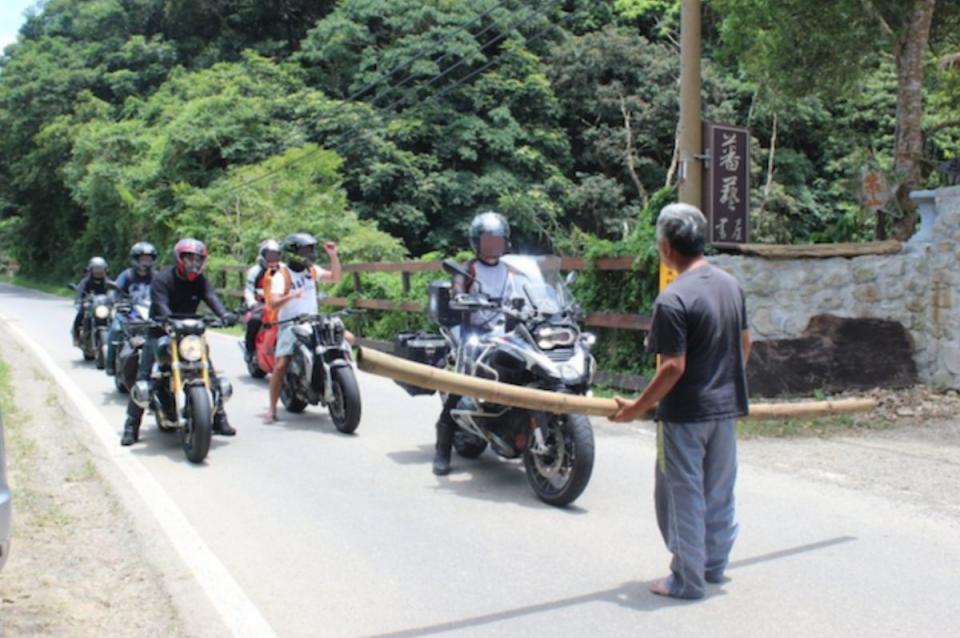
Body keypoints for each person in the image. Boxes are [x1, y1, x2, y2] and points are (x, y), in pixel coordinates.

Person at [609, 203, 751, 600]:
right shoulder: (730, 285)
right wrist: (723, 382)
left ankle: (687, 580)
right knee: (719, 490)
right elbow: (745, 345)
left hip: (685, 416)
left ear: (667, 247)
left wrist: (636, 408)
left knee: (682, 494)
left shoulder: (673, 300)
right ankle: (713, 566)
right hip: (725, 410)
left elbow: (672, 367)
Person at [121, 238, 237, 446]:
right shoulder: (162, 278)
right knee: (145, 374)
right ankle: (131, 426)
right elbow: (161, 303)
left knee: (208, 370)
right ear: (179, 258)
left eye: (198, 259)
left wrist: (225, 314)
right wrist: (167, 319)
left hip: (190, 333)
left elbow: (211, 297)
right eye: (189, 258)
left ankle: (219, 418)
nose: (194, 263)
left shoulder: (200, 281)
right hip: (160, 330)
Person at [432, 211, 513, 476]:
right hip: (473, 330)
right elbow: (457, 290)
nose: (493, 245)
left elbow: (526, 290)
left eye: (498, 240)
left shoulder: (510, 269)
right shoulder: (469, 269)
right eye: (488, 240)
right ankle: (442, 449)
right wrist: (461, 297)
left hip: (503, 330)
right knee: (462, 381)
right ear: (476, 242)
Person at [265, 233, 341, 422]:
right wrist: (290, 296)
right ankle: (272, 409)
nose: (311, 254)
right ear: (293, 252)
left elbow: (335, 277)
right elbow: (273, 303)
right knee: (281, 365)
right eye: (306, 250)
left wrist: (333, 255)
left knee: (345, 339)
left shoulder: (312, 270)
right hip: (290, 324)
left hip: (314, 321)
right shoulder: (281, 275)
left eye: (312, 249)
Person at [106, 242, 157, 375]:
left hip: (150, 312)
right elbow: (116, 289)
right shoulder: (127, 275)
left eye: (149, 258)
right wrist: (113, 299)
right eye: (143, 258)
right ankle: (110, 363)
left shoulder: (156, 276)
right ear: (135, 258)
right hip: (129, 311)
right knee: (116, 329)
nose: (146, 261)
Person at [243, 239, 282, 363]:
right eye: (269, 255)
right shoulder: (254, 271)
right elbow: (248, 290)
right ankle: (249, 349)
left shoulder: (283, 270)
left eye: (275, 255)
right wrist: (252, 303)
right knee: (254, 320)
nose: (272, 258)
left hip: (280, 302)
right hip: (261, 304)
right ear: (263, 255)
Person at [72, 256, 113, 347]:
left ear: (105, 270)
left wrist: (114, 300)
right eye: (95, 269)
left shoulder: (108, 282)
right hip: (89, 305)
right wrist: (80, 301)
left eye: (100, 269)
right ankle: (76, 336)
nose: (98, 272)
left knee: (114, 318)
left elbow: (113, 293)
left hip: (103, 307)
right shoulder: (86, 282)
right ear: (91, 270)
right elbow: (80, 292)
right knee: (80, 315)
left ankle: (114, 340)